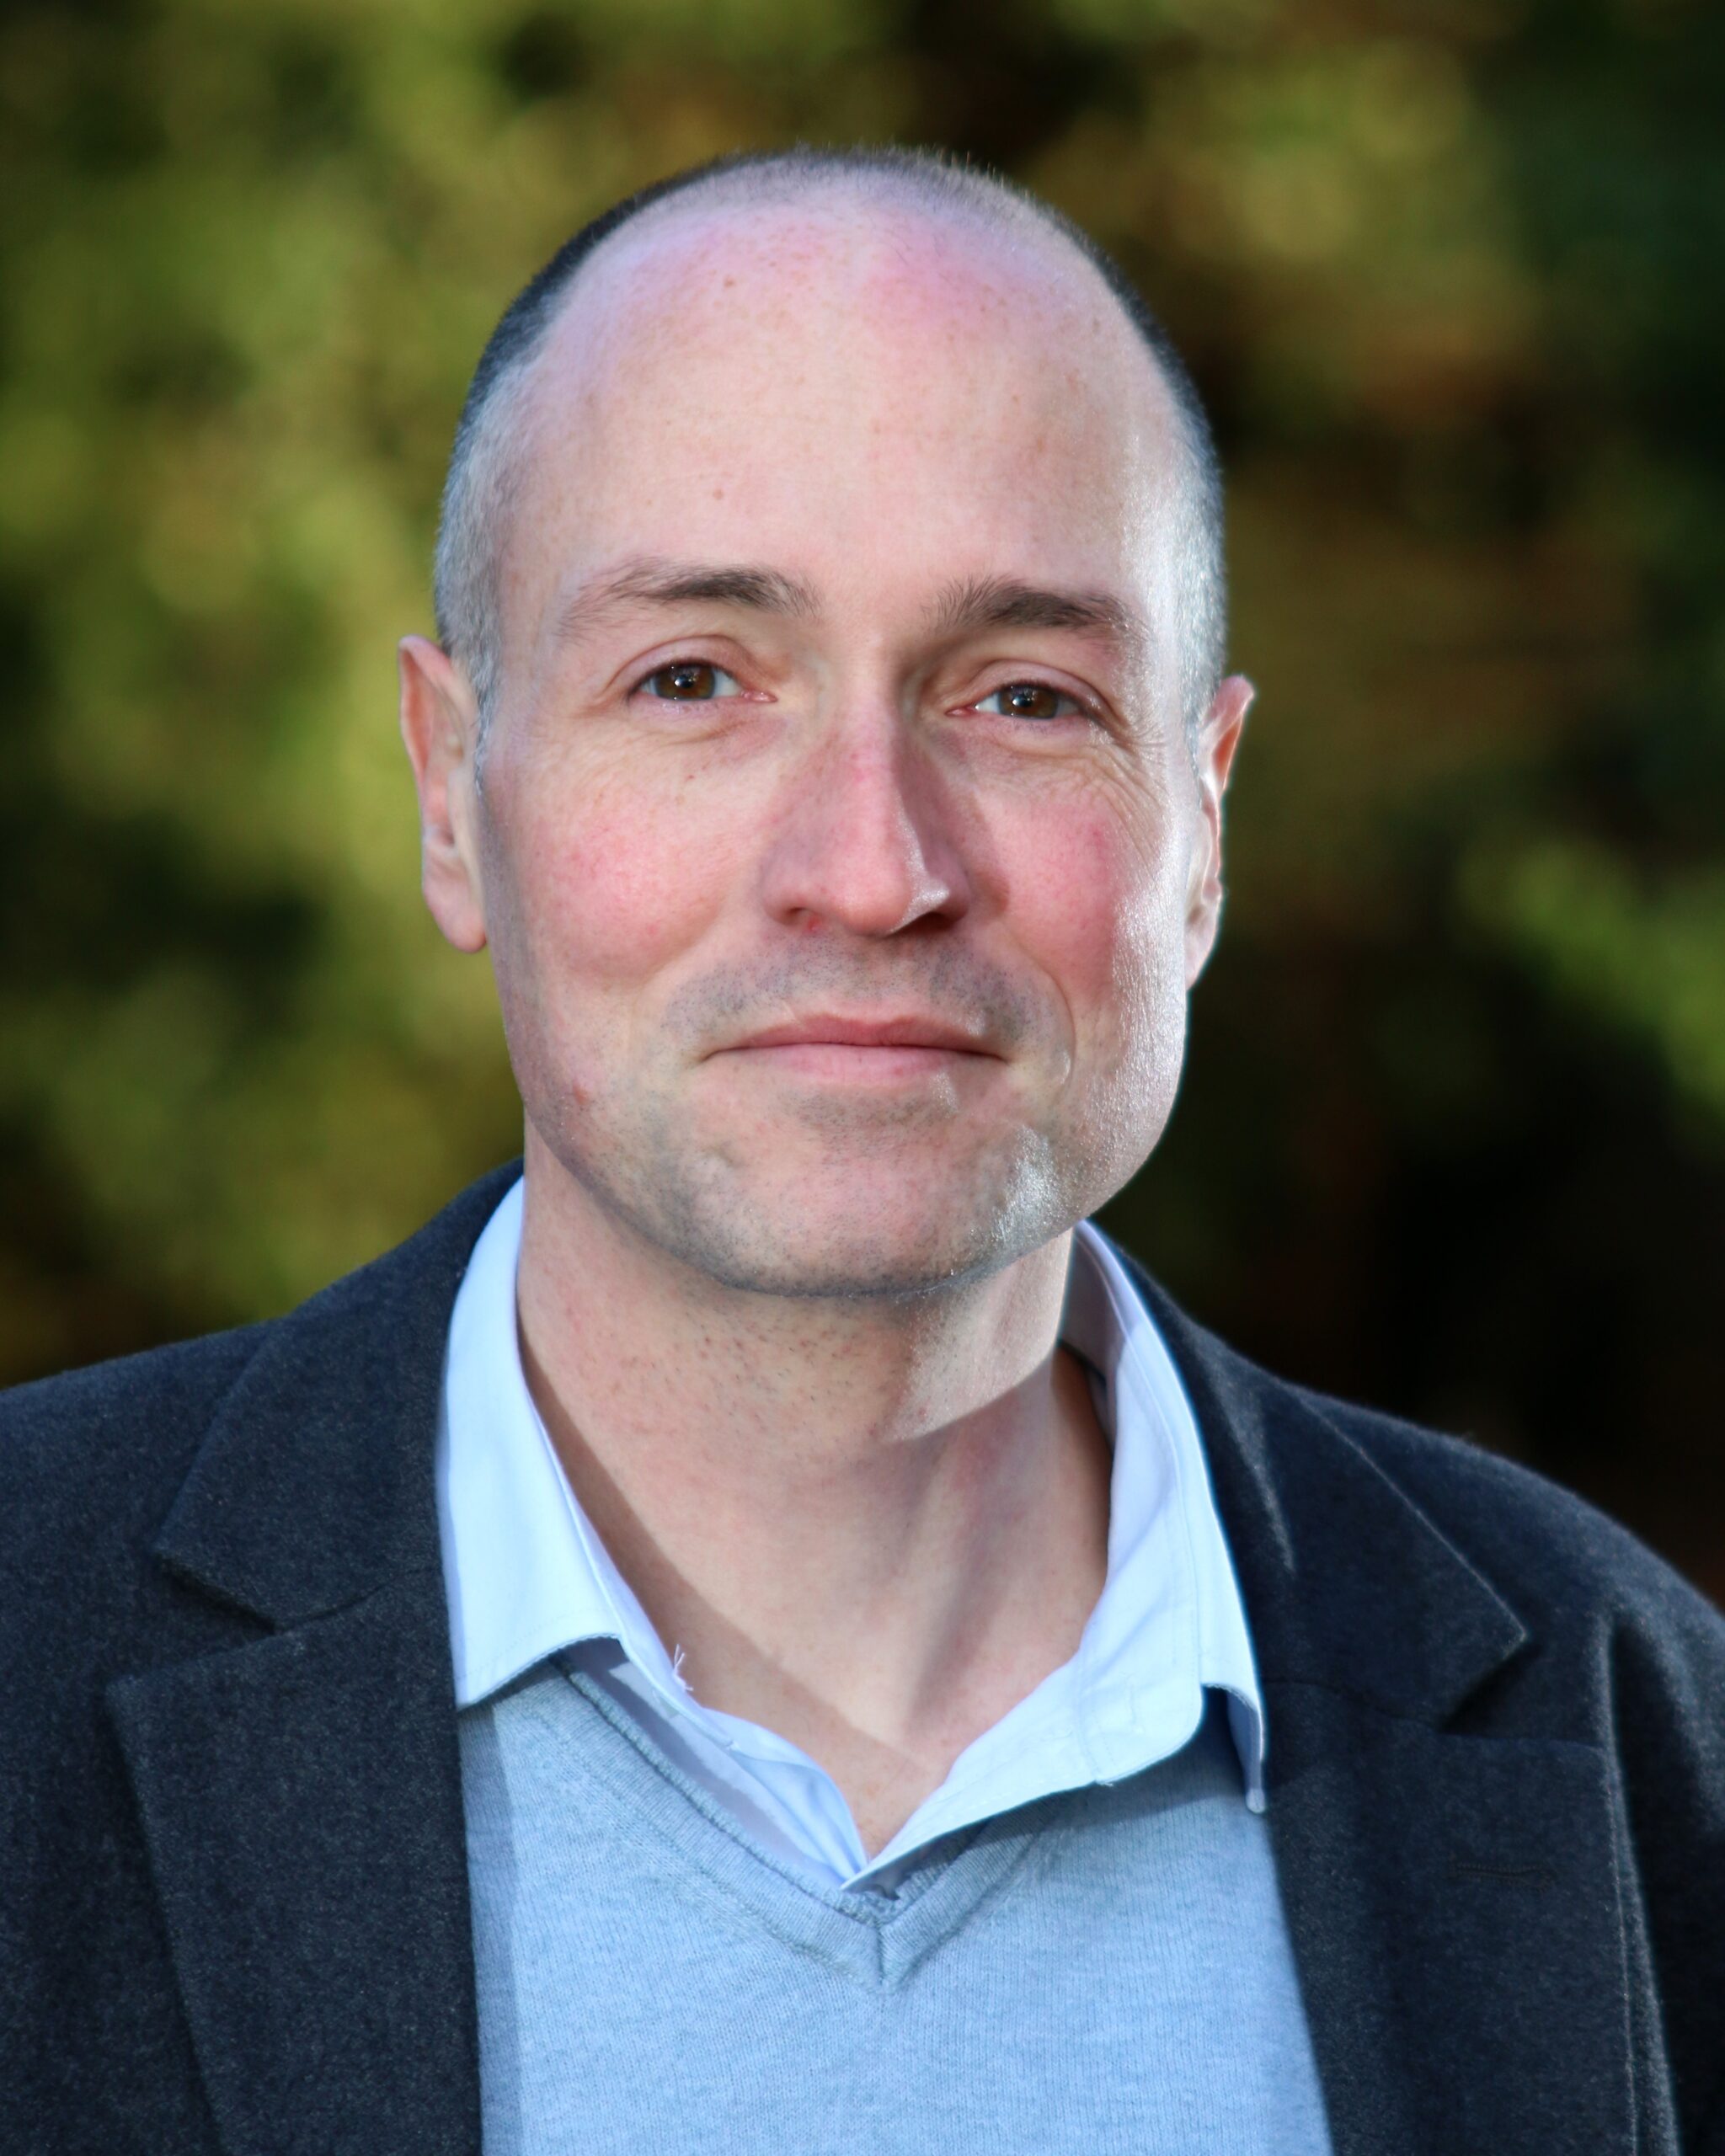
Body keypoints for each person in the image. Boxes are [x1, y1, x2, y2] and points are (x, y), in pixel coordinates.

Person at [3, 146, 1721, 2156]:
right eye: (695, 678)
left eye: (1020, 694)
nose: (871, 868)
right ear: (453, 793)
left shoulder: (1633, 1739)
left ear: (1202, 825)